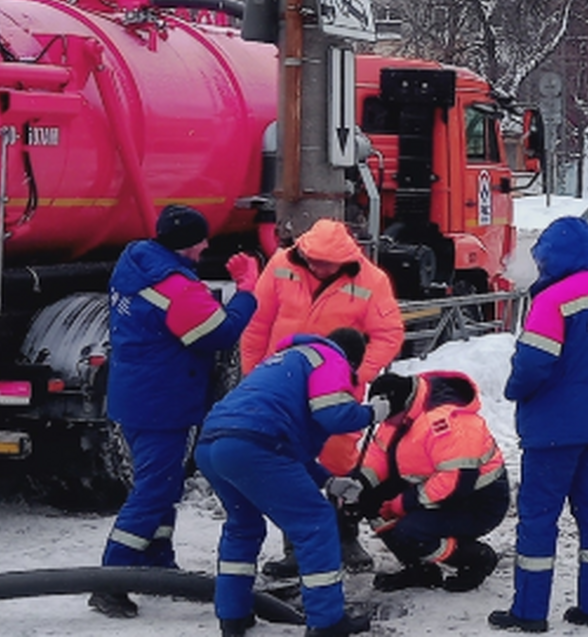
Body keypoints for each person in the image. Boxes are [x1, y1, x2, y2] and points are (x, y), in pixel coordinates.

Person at [90, 204, 260, 618]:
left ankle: (156, 561)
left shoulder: (138, 263)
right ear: (183, 244)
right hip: (162, 401)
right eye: (201, 241)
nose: (205, 247)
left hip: (138, 394)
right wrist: (247, 291)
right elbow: (217, 333)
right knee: (155, 490)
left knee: (161, 483)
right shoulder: (173, 286)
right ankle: (110, 582)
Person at [487, 216, 588, 633]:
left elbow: (534, 363)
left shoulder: (553, 300)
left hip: (554, 426)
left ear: (553, 256)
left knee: (539, 518)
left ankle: (530, 612)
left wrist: (515, 389)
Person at [195, 328, 391, 637]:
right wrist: (373, 412)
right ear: (352, 359)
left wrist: (329, 482)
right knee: (315, 522)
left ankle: (233, 616)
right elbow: (333, 415)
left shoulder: (284, 361)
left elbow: (286, 449)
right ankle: (327, 622)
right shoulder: (331, 358)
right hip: (253, 444)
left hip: (213, 444)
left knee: (243, 526)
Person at [240, 218, 405, 576]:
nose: (317, 267)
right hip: (284, 389)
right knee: (292, 466)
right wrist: (253, 378)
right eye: (312, 259)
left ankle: (345, 538)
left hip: (336, 391)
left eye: (326, 263)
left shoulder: (371, 280)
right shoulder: (282, 264)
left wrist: (356, 375)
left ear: (346, 259)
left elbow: (388, 334)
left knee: (340, 464)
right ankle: (296, 548)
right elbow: (257, 324)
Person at [352, 371, 509, 595]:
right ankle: (421, 571)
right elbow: (379, 453)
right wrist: (360, 484)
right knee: (372, 504)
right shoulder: (401, 410)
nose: (386, 424)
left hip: (478, 501)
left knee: (411, 530)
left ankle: (475, 559)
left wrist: (403, 503)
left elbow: (455, 482)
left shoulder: (450, 421)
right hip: (437, 491)